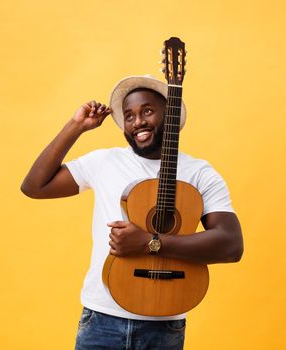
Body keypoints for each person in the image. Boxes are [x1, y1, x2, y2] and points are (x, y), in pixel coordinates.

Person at [21, 75, 243, 349]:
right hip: (102, 320)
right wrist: (76, 126)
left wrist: (151, 243)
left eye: (147, 111)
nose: (137, 121)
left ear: (170, 114)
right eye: (129, 116)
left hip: (165, 323)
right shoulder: (104, 162)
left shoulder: (199, 174)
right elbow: (34, 186)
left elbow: (231, 245)